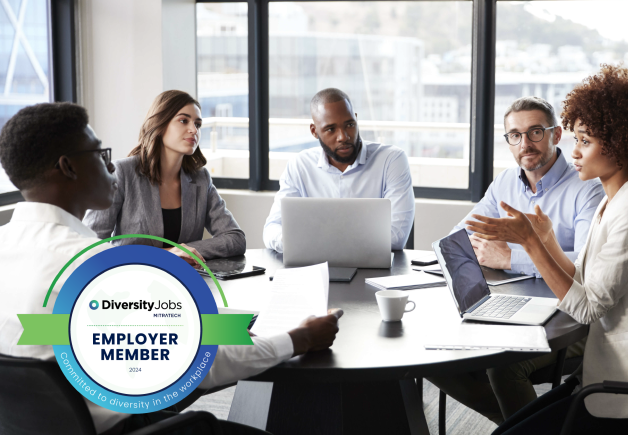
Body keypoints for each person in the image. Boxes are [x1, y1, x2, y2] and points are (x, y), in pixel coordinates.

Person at [0, 102, 343, 434]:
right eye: (100, 155)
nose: (110, 167)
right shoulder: (91, 268)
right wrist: (299, 338)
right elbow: (204, 363)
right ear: (68, 167)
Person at [467, 65, 628, 435]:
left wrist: (533, 245)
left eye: (585, 140)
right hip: (606, 374)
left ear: (621, 143)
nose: (575, 151)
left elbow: (586, 307)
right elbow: (584, 278)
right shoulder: (615, 197)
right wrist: (547, 239)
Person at [429, 97, 603, 424]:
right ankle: (523, 426)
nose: (525, 143)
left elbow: (583, 264)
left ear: (556, 134)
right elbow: (461, 235)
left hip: (574, 319)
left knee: (504, 364)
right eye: (515, 135)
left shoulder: (587, 188)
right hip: (516, 304)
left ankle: (524, 426)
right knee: (433, 355)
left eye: (535, 132)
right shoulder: (506, 182)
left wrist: (511, 257)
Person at [84, 90, 245, 266]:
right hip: (131, 282)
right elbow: (90, 246)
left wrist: (183, 251)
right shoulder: (122, 172)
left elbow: (235, 238)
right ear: (160, 124)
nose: (194, 130)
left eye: (197, 124)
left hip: (184, 282)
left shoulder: (200, 178)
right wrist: (165, 254)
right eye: (183, 121)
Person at [262, 88, 415, 252]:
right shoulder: (299, 165)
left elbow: (396, 236)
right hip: (315, 269)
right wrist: (292, 241)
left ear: (356, 120)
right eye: (330, 129)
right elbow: (272, 229)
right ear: (314, 131)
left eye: (349, 125)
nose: (343, 137)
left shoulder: (391, 160)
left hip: (374, 272)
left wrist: (309, 242)